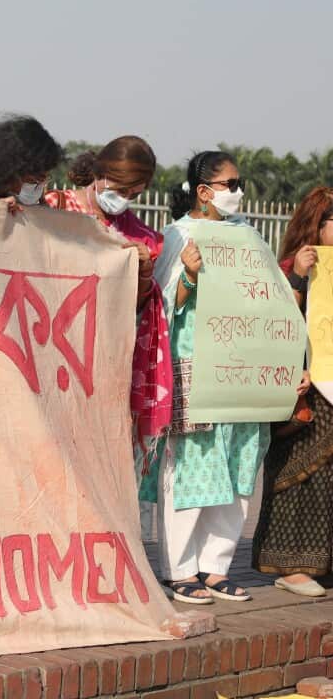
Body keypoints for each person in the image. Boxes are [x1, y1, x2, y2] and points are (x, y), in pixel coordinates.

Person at [149, 150, 269, 604]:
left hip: (241, 372)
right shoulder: (178, 236)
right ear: (203, 191)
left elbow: (265, 300)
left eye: (240, 183)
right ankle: (179, 569)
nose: (237, 192)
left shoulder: (250, 238)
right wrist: (191, 278)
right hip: (194, 367)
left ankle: (215, 565)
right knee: (191, 467)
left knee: (238, 466)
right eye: (229, 184)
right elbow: (160, 306)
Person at [44, 137, 170, 467]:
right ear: (99, 174)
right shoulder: (53, 209)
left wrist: (142, 273)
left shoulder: (142, 238)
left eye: (134, 195)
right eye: (119, 189)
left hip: (107, 366)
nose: (124, 200)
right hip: (50, 357)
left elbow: (139, 309)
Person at [252, 186, 332, 597]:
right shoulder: (288, 268)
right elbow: (275, 323)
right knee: (302, 475)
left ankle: (324, 563)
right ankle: (292, 565)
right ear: (315, 225)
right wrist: (299, 275)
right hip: (307, 390)